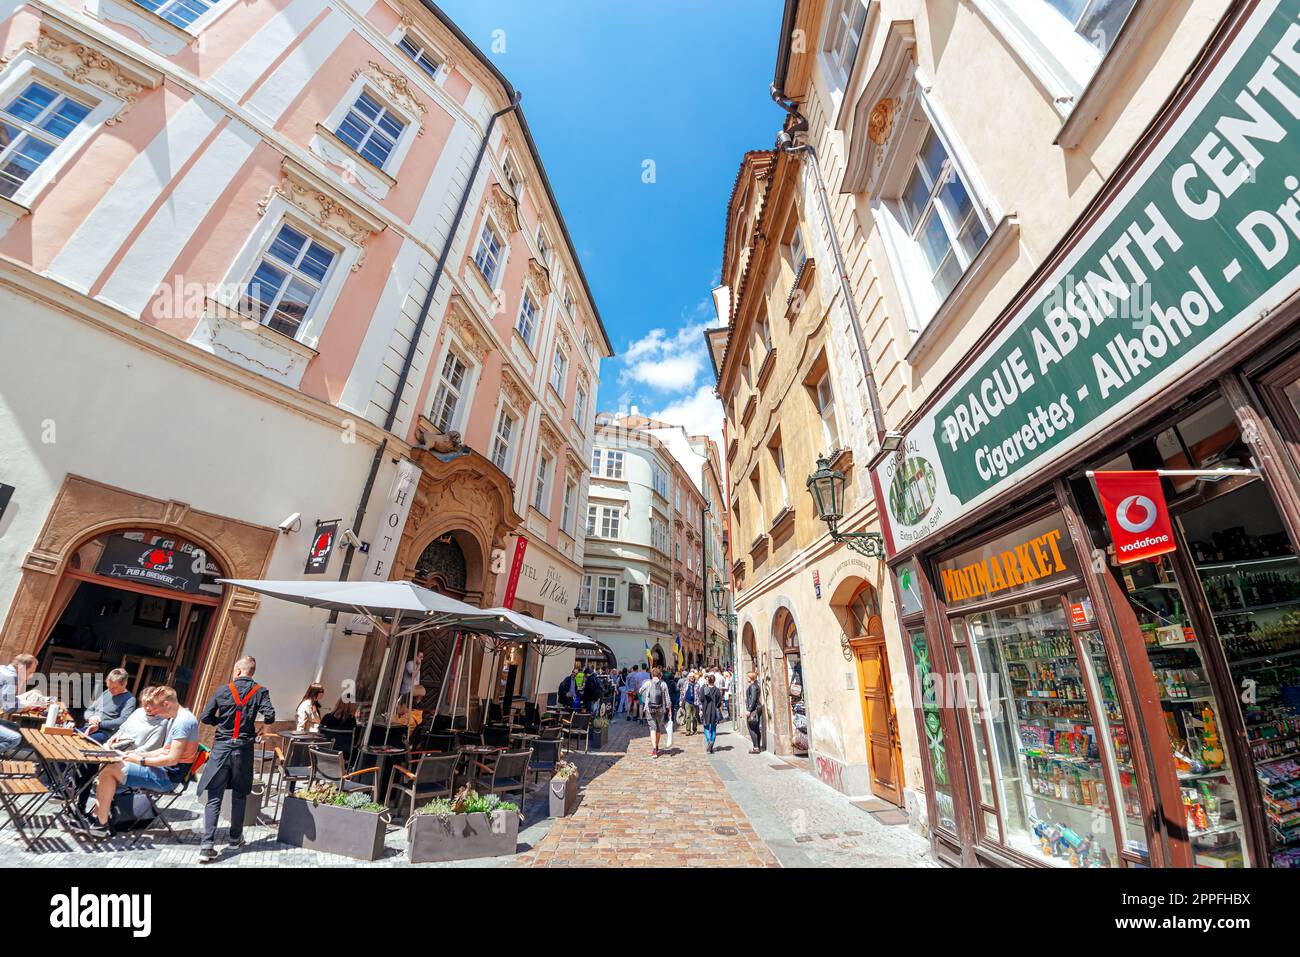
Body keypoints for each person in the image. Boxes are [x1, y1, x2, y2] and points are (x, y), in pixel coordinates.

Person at [87, 686, 199, 839]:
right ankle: (100, 819)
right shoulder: (177, 717)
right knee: (109, 766)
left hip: (167, 779)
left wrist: (140, 760)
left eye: (156, 709)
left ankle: (100, 822)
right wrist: (137, 755)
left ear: (166, 704)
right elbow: (165, 751)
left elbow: (171, 759)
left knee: (108, 770)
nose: (155, 713)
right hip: (163, 771)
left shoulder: (182, 723)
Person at [195, 657, 276, 861]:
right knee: (240, 795)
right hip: (243, 749)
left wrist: (221, 722)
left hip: (222, 748)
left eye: (234, 670)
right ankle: (234, 838)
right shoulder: (260, 691)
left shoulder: (223, 690)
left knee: (214, 797)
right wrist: (262, 728)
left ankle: (207, 846)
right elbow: (270, 715)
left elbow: (205, 716)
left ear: (239, 671)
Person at [72, 686, 169, 816]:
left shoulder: (161, 724)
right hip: (115, 750)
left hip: (129, 758)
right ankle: (77, 802)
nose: (146, 707)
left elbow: (149, 748)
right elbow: (122, 729)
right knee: (87, 760)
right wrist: (114, 738)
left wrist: (125, 753)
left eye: (150, 705)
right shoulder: (138, 712)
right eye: (144, 703)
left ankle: (87, 809)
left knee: (95, 765)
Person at [0, 653, 40, 755]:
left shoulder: (3, 669)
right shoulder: (11, 677)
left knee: (15, 727)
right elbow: (8, 708)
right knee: (14, 738)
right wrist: (26, 707)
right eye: (30, 672)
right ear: (21, 668)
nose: (30, 676)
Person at [82, 669, 136, 744]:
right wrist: (90, 717)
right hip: (89, 727)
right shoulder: (106, 692)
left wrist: (99, 724)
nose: (110, 690)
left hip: (105, 732)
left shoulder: (130, 700)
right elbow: (90, 710)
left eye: (114, 688)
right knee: (73, 734)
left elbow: (122, 720)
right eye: (108, 687)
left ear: (124, 684)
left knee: (85, 741)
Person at [639, 667, 672, 758]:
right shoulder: (663, 684)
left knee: (652, 727)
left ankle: (654, 749)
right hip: (660, 709)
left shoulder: (648, 683)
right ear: (659, 675)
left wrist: (646, 697)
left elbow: (640, 691)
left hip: (649, 708)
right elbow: (667, 698)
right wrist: (670, 710)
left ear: (652, 674)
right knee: (658, 728)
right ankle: (657, 746)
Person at [698, 673, 724, 754]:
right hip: (714, 711)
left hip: (706, 710)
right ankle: (711, 743)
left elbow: (701, 699)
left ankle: (709, 741)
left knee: (706, 727)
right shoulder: (717, 690)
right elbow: (719, 702)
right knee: (713, 728)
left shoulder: (703, 689)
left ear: (708, 680)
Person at [745, 671, 763, 754]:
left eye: (748, 677)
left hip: (754, 709)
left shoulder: (753, 687)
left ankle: (756, 748)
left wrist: (749, 709)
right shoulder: (756, 686)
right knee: (756, 728)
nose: (747, 678)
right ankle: (757, 746)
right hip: (757, 708)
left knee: (751, 728)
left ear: (751, 677)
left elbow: (753, 699)